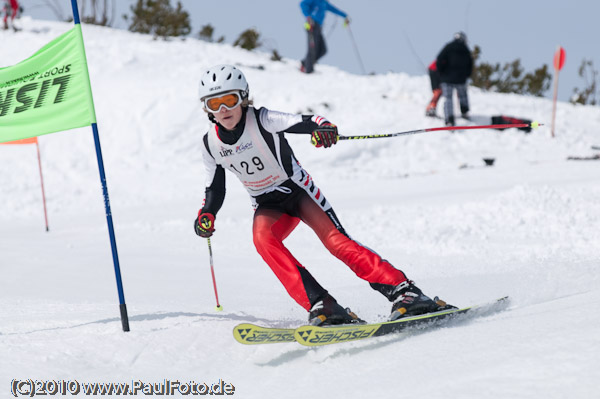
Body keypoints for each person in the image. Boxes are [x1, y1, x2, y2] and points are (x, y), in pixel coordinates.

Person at [194, 64, 454, 326]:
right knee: (263, 240)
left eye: (229, 99)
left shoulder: (262, 119)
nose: (223, 109)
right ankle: (322, 304)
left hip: (298, 193)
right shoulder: (210, 144)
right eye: (214, 103)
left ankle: (404, 291)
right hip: (268, 205)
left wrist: (325, 128)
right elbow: (215, 188)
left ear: (244, 97)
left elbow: (308, 122)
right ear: (206, 108)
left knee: (336, 242)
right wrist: (207, 213)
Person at [299, 0, 350, 74]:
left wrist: (345, 16)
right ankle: (309, 71)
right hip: (312, 26)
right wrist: (308, 16)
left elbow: (335, 10)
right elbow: (303, 4)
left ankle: (305, 63)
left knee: (323, 50)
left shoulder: (324, 3)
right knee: (312, 48)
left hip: (318, 28)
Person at [436, 32, 473, 126]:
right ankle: (464, 111)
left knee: (448, 98)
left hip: (447, 78)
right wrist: (466, 75)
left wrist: (441, 73)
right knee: (463, 95)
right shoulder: (466, 49)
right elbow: (470, 65)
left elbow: (439, 59)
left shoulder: (448, 47)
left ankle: (449, 119)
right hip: (460, 79)